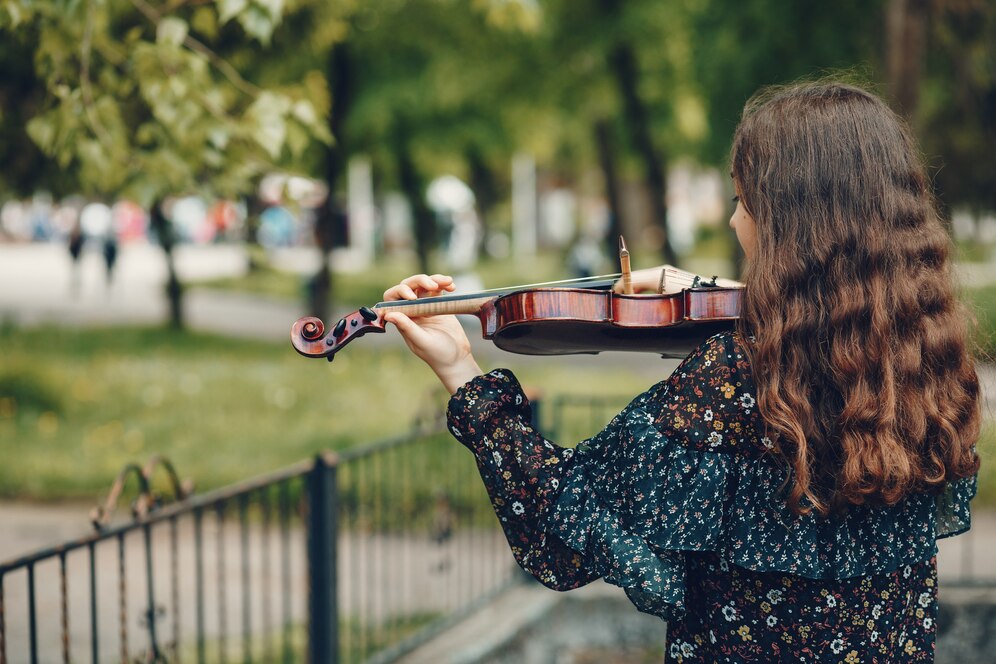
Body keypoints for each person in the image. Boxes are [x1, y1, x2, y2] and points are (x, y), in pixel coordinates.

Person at [381, 81, 981, 662]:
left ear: (790, 225)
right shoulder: (928, 368)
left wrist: (461, 370)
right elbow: (832, 313)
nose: (733, 222)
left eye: (743, 201)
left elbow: (561, 526)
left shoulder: (734, 380)